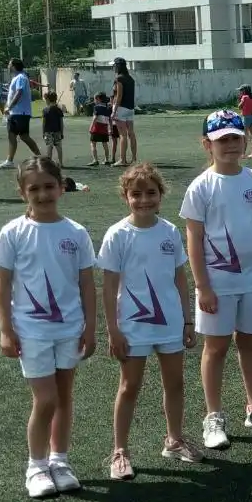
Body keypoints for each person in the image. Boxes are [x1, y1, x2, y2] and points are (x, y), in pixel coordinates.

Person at [180, 109, 252, 449]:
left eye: (235, 138)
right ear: (207, 145)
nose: (230, 145)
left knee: (250, 344)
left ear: (245, 140)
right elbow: (194, 240)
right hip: (218, 284)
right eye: (221, 140)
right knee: (216, 348)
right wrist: (202, 285)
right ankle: (213, 417)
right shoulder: (201, 187)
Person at [0, 157, 96, 498]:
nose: (43, 194)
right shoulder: (13, 233)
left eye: (49, 186)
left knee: (64, 397)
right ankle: (36, 467)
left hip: (70, 329)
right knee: (45, 399)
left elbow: (86, 285)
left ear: (61, 187)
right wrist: (6, 329)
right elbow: (2, 285)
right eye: (34, 188)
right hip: (31, 331)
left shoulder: (76, 233)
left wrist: (90, 328)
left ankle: (60, 461)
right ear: (22, 192)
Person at [99, 164, 202, 480]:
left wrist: (187, 321)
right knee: (129, 386)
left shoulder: (170, 231)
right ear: (125, 197)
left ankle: (173, 440)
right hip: (133, 327)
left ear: (161, 195)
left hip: (170, 323)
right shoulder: (118, 234)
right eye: (136, 194)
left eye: (151, 193)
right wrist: (113, 329)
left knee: (175, 383)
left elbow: (179, 278)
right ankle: (120, 451)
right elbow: (109, 286)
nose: (144, 200)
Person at [0, 59, 42, 169]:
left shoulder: (21, 77)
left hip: (18, 112)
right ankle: (39, 157)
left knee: (13, 135)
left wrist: (10, 107)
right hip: (19, 112)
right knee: (23, 136)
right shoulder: (18, 77)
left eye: (9, 64)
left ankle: (10, 161)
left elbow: (19, 92)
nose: (8, 66)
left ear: (14, 66)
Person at [111, 57, 138, 166]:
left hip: (121, 108)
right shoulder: (130, 78)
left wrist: (114, 110)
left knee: (123, 135)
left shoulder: (119, 78)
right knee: (131, 133)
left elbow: (119, 96)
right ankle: (134, 158)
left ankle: (122, 160)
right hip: (130, 109)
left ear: (117, 66)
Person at [88, 93, 114, 167]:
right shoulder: (108, 108)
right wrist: (111, 128)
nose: (94, 101)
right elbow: (110, 120)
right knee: (105, 143)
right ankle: (106, 159)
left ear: (98, 99)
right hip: (105, 128)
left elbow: (95, 117)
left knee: (93, 143)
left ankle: (95, 160)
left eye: (95, 99)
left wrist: (91, 126)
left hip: (97, 127)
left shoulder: (96, 107)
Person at [41, 91, 65, 168]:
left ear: (48, 99)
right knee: (59, 147)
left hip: (48, 132)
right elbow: (61, 123)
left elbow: (44, 123)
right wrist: (62, 132)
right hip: (57, 131)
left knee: (49, 147)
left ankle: (49, 163)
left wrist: (43, 132)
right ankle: (61, 163)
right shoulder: (59, 109)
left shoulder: (45, 110)